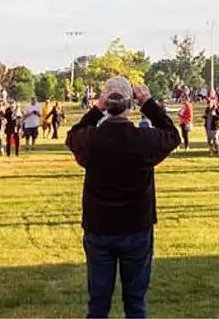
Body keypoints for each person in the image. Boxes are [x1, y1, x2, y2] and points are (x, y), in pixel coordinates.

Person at [66, 77, 179, 319]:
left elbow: (72, 135)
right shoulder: (143, 140)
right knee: (135, 303)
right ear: (131, 103)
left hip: (99, 226)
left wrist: (95, 109)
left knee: (98, 303)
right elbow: (172, 134)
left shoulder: (91, 140)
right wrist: (148, 103)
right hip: (136, 225)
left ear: (106, 103)